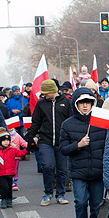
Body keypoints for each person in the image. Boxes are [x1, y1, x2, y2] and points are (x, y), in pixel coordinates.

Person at [59, 89, 108, 218]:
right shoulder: (67, 124)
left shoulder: (101, 123)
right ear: (75, 104)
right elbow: (63, 149)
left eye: (88, 102)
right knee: (80, 203)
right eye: (81, 102)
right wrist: (77, 145)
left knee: (96, 207)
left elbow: (108, 148)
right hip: (78, 173)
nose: (85, 105)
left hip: (97, 172)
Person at [26, 78, 72, 206]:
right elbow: (35, 122)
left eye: (46, 93)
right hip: (45, 140)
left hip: (62, 141)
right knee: (47, 166)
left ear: (53, 91)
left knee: (62, 169)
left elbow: (71, 122)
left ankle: (61, 194)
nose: (44, 95)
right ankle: (47, 193)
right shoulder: (41, 104)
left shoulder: (67, 103)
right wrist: (29, 138)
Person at [0, 128, 25, 208]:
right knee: (4, 186)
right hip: (0, 173)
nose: (6, 142)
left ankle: (9, 199)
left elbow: (20, 153)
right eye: (4, 140)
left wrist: (27, 149)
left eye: (7, 140)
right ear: (0, 141)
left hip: (9, 172)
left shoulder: (12, 149)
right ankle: (3, 199)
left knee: (9, 187)